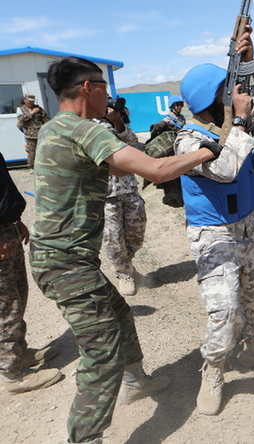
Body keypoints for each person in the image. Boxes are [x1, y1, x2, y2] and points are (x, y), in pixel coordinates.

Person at [30, 56, 220, 444]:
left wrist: (152, 142)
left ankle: (136, 382)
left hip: (61, 259)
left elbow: (119, 168)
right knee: (101, 354)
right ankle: (85, 438)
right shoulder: (83, 130)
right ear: (87, 87)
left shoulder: (55, 127)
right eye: (103, 86)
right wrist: (208, 150)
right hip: (68, 264)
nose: (109, 95)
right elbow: (156, 171)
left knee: (119, 314)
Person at [174, 31, 254, 416]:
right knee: (224, 312)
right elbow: (224, 169)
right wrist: (238, 118)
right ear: (212, 98)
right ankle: (214, 369)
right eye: (228, 87)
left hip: (247, 228)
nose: (235, 91)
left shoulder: (234, 124)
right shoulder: (188, 140)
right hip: (214, 235)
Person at [1, 152, 62, 395]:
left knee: (18, 296)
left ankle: (19, 353)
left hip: (7, 229)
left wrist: (15, 220)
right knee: (6, 306)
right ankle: (13, 374)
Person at [93, 104, 147, 296]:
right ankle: (124, 274)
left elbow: (133, 143)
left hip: (128, 186)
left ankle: (127, 264)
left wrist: (117, 121)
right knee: (113, 237)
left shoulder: (114, 121)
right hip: (106, 192)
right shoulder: (87, 123)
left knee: (136, 232)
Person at [16, 93, 50, 168]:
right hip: (30, 136)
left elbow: (46, 120)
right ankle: (32, 167)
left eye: (33, 101)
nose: (31, 102)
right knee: (31, 153)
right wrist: (32, 113)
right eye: (29, 101)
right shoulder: (21, 109)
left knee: (43, 152)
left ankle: (44, 167)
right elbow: (21, 120)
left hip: (40, 134)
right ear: (25, 100)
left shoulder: (39, 109)